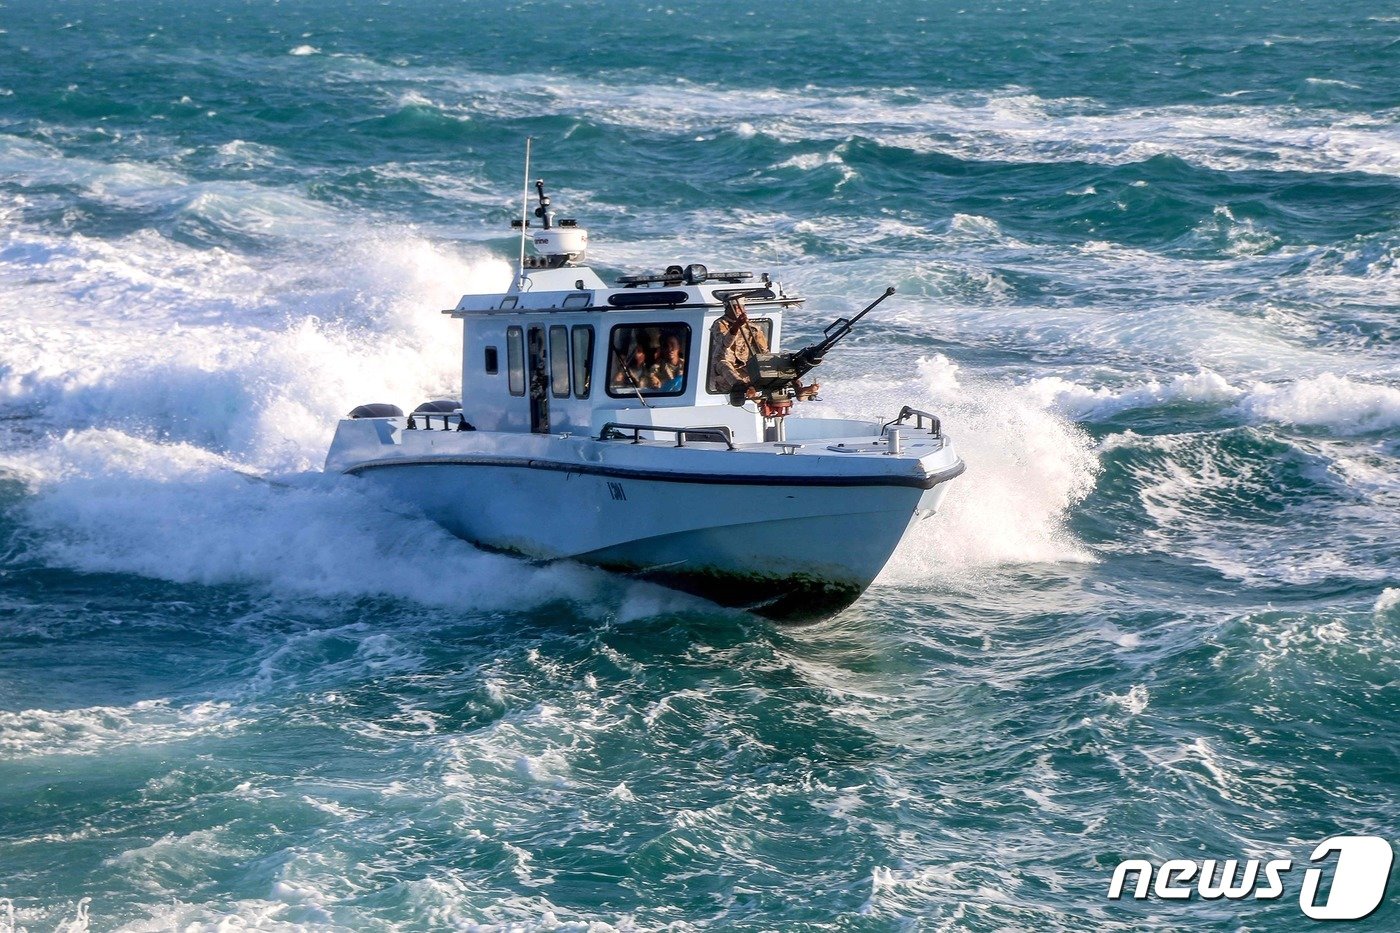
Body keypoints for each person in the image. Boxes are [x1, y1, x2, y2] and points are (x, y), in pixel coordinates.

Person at [708, 298, 769, 396]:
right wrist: (736, 327)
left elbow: (764, 352)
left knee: (765, 366)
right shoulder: (719, 324)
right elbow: (725, 343)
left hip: (742, 366)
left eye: (740, 307)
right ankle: (741, 386)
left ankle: (793, 386)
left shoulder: (752, 327)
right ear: (727, 309)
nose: (738, 310)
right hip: (720, 367)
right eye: (734, 307)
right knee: (724, 365)